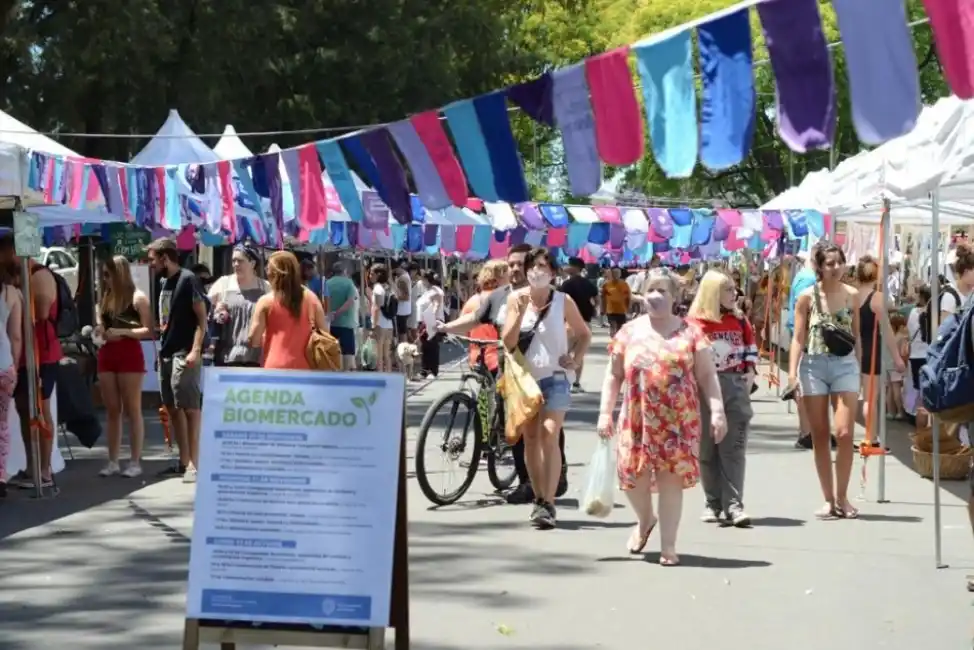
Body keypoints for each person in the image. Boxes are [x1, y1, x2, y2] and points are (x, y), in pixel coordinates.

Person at [597, 268, 725, 564]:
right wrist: (605, 413)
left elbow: (707, 375)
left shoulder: (691, 332)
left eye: (662, 290)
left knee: (670, 482)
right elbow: (613, 375)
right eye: (650, 290)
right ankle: (645, 519)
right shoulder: (628, 332)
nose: (655, 296)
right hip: (636, 418)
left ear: (675, 297)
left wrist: (717, 410)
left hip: (678, 421)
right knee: (632, 479)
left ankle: (669, 546)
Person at [440, 245, 569, 504]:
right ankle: (528, 482)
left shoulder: (547, 296)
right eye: (511, 265)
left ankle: (554, 473)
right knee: (517, 428)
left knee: (548, 429)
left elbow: (568, 327)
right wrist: (445, 327)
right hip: (509, 370)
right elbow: (475, 319)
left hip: (542, 370)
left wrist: (571, 355)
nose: (515, 269)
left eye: (520, 264)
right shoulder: (500, 296)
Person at [501, 248, 590, 528]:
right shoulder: (516, 299)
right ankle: (539, 497)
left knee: (550, 434)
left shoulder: (563, 301)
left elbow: (584, 334)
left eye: (543, 266)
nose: (537, 271)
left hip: (556, 376)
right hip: (526, 380)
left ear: (552, 272)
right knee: (530, 439)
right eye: (533, 266)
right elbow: (508, 342)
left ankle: (549, 502)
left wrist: (575, 359)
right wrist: (519, 311)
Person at [788, 242, 862, 519]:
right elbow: (798, 337)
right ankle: (829, 499)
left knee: (844, 433)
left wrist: (861, 370)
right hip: (814, 366)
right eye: (830, 263)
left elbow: (856, 336)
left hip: (845, 365)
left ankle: (843, 497)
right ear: (819, 266)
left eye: (839, 262)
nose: (836, 267)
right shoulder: (807, 297)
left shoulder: (852, 295)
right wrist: (792, 374)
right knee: (820, 435)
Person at [687, 270, 757, 527]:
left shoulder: (739, 320)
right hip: (703, 389)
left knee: (734, 450)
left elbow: (751, 349)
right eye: (727, 289)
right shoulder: (693, 324)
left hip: (734, 387)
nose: (734, 293)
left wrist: (750, 372)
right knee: (707, 450)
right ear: (712, 293)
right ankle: (713, 502)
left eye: (733, 288)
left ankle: (734, 505)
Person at [2, 235, 62, 490]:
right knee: (25, 410)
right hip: (25, 356)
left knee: (40, 409)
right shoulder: (20, 278)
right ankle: (32, 467)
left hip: (41, 355)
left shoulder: (39, 275)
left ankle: (44, 470)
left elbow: (42, 313)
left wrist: (17, 301)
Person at [147, 238, 207, 484]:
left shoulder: (188, 279)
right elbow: (165, 321)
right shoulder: (163, 282)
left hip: (185, 351)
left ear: (165, 257)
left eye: (152, 259)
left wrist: (195, 350)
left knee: (190, 407)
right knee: (172, 406)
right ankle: (183, 461)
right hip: (167, 352)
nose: (150, 264)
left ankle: (195, 463)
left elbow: (202, 319)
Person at [96, 256, 153, 478]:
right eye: (103, 275)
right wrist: (100, 330)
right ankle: (112, 461)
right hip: (107, 354)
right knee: (112, 409)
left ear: (119, 274)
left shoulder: (138, 298)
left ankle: (135, 461)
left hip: (129, 355)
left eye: (108, 275)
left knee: (132, 409)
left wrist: (122, 332)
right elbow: (103, 324)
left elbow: (148, 330)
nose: (105, 279)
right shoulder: (107, 297)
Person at [855, 256, 906, 445]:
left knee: (859, 396)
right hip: (871, 350)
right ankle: (871, 438)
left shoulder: (853, 295)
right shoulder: (876, 298)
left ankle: (865, 436)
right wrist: (897, 358)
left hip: (855, 349)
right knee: (870, 398)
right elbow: (888, 331)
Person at [249, 251, 327, 370]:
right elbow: (325, 335)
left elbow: (254, 340)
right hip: (306, 368)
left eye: (267, 269)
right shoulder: (312, 299)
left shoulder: (266, 301)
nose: (266, 272)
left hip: (274, 367)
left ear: (274, 273)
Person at [208, 244, 269, 368]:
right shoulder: (223, 284)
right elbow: (204, 310)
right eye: (233, 261)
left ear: (252, 263)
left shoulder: (266, 287)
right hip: (227, 357)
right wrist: (215, 311)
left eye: (240, 261)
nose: (236, 264)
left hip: (257, 358)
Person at [789, 252, 820, 450]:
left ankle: (807, 431)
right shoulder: (808, 279)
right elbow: (803, 311)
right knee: (804, 386)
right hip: (806, 337)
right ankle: (806, 432)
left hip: (805, 336)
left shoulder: (803, 276)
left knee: (806, 385)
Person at [559, 257, 598, 393]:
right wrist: (594, 309)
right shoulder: (588, 283)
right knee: (579, 354)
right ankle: (575, 383)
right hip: (585, 322)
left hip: (570, 323)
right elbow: (596, 298)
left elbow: (560, 302)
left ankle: (562, 381)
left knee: (563, 352)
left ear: (575, 267)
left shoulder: (567, 284)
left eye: (569, 265)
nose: (566, 267)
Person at [0, 266, 22, 497]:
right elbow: (16, 336)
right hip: (4, 365)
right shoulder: (11, 293)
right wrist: (14, 365)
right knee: (2, 424)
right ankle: (1, 475)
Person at [326, 262, 359, 370]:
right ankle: (346, 374)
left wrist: (331, 314)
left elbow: (324, 300)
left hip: (331, 323)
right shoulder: (349, 283)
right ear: (344, 271)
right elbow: (350, 302)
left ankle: (334, 373)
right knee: (348, 353)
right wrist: (338, 313)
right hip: (346, 323)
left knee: (332, 351)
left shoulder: (327, 283)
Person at [416, 271, 445, 378]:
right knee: (425, 346)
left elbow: (436, 305)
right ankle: (424, 369)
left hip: (431, 321)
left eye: (422, 279)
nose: (421, 282)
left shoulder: (436, 291)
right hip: (423, 321)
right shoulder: (427, 291)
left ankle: (433, 370)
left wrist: (431, 318)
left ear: (426, 280)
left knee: (432, 346)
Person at [369, 265, 395, 372]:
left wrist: (373, 326)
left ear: (378, 275)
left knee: (379, 355)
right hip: (389, 324)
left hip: (379, 324)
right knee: (387, 355)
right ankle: (388, 376)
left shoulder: (377, 288)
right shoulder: (389, 287)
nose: (370, 276)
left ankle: (380, 376)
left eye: (372, 274)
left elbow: (377, 308)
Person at [907, 285, 931, 391]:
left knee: (918, 388)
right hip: (929, 355)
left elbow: (909, 330)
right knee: (929, 388)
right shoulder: (934, 313)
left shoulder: (913, 312)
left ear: (921, 297)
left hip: (915, 355)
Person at [886, 312, 909, 420]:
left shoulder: (887, 336)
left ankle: (890, 412)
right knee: (896, 389)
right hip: (896, 365)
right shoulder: (902, 337)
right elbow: (904, 352)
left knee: (889, 389)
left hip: (887, 364)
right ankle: (900, 412)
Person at [601, 267, 630, 336]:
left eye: (618, 273)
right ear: (611, 274)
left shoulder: (625, 284)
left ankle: (617, 339)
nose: (616, 274)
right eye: (614, 273)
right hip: (610, 310)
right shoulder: (606, 285)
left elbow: (628, 298)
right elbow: (603, 298)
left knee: (619, 328)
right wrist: (603, 309)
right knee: (613, 326)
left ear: (620, 274)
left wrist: (628, 309)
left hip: (621, 310)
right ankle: (613, 339)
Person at [393, 264, 413, 342]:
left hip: (401, 310)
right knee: (404, 330)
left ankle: (403, 346)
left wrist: (394, 297)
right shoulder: (405, 276)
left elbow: (406, 297)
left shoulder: (402, 279)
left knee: (402, 331)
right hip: (404, 310)